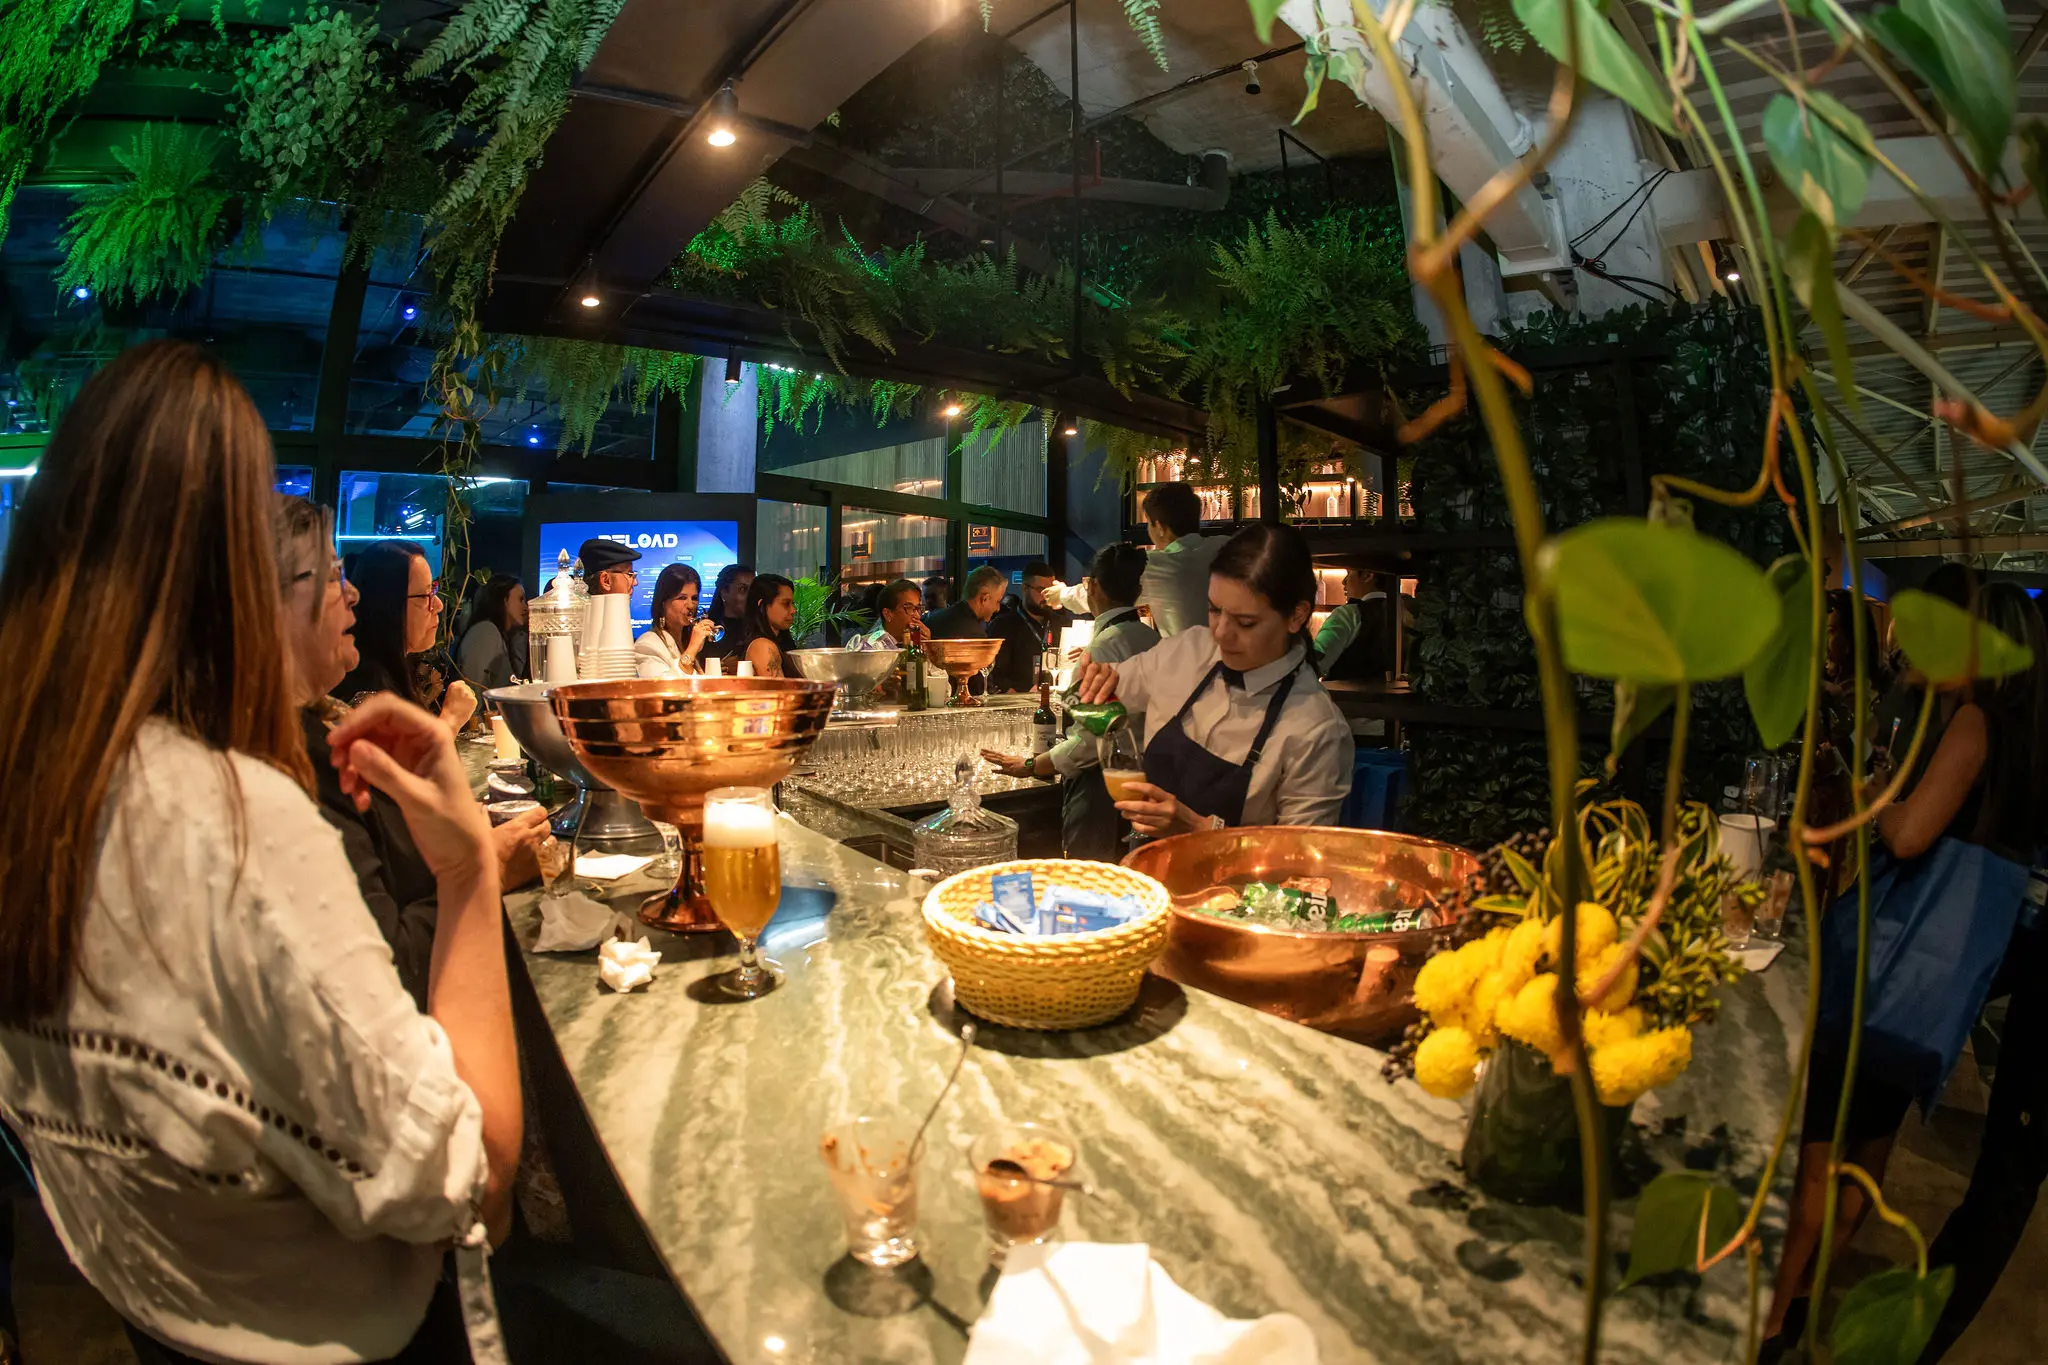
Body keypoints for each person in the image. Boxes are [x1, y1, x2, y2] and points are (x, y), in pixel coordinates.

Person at [0, 340, 519, 1363]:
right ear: (231, 577)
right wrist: (471, 873)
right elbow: (473, 1180)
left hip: (162, 1316)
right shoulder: (232, 821)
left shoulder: (32, 780)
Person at [1762, 571, 2048, 1360]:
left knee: (1821, 1149)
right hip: (1934, 990)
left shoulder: (1976, 723)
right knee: (1870, 1147)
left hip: (1886, 973)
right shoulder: (2028, 744)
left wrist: (1879, 797)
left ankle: (1771, 1320)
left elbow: (1912, 836)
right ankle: (1813, 1295)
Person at [277, 497, 547, 1008]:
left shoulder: (323, 721)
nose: (351, 593)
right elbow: (390, 964)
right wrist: (482, 868)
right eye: (334, 574)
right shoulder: (308, 756)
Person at [1075, 523, 1352, 832]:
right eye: (1214, 610)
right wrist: (1091, 686)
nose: (1220, 634)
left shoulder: (1317, 727)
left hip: (1235, 880)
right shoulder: (1187, 650)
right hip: (1147, 867)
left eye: (1245, 622)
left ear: (1297, 616)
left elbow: (1298, 859)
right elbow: (1089, 701)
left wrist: (1199, 828)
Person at [985, 542, 1159, 860]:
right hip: (1151, 781)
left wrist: (1032, 764)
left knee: (1092, 877)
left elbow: (1092, 740)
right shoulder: (1153, 639)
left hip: (1102, 788)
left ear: (1092, 587)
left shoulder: (1101, 650)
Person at [337, 539, 479, 733]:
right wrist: (450, 720)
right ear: (388, 606)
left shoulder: (397, 670)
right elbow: (397, 763)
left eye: (434, 590)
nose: (438, 605)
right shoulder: (369, 687)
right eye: (425, 595)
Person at [1137, 482, 1228, 638]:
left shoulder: (1151, 566)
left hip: (1188, 658)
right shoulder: (1227, 546)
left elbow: (1103, 592)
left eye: (1148, 523)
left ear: (1159, 527)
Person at [984, 561, 1071, 694]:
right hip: (1018, 703)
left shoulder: (1063, 624)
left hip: (1058, 697)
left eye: (1052, 591)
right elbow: (996, 675)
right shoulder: (1003, 625)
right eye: (1042, 590)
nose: (1047, 596)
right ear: (1024, 588)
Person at [1315, 563, 1398, 682]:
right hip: (1402, 699)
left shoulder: (1348, 614)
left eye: (1348, 573)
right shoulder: (1407, 613)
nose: (1344, 582)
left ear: (1367, 575)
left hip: (1345, 699)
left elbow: (1314, 664)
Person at [636, 562, 718, 679]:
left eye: (694, 598)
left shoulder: (686, 640)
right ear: (663, 602)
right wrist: (692, 650)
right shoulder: (647, 644)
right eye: (682, 598)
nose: (690, 605)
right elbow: (661, 688)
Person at [456, 572, 528, 691]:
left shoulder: (501, 635)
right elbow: (473, 689)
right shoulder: (485, 632)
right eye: (521, 599)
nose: (525, 607)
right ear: (504, 600)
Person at [731, 573, 798, 679]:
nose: (793, 610)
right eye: (786, 604)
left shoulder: (775, 642)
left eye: (792, 604)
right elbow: (779, 693)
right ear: (762, 605)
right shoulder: (763, 646)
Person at [851, 578, 926, 652]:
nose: (917, 616)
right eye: (909, 608)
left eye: (918, 608)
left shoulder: (914, 641)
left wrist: (928, 645)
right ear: (887, 614)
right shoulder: (868, 647)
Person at [703, 563, 755, 661]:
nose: (751, 596)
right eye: (743, 589)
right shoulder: (709, 631)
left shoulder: (759, 627)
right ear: (724, 592)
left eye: (753, 590)